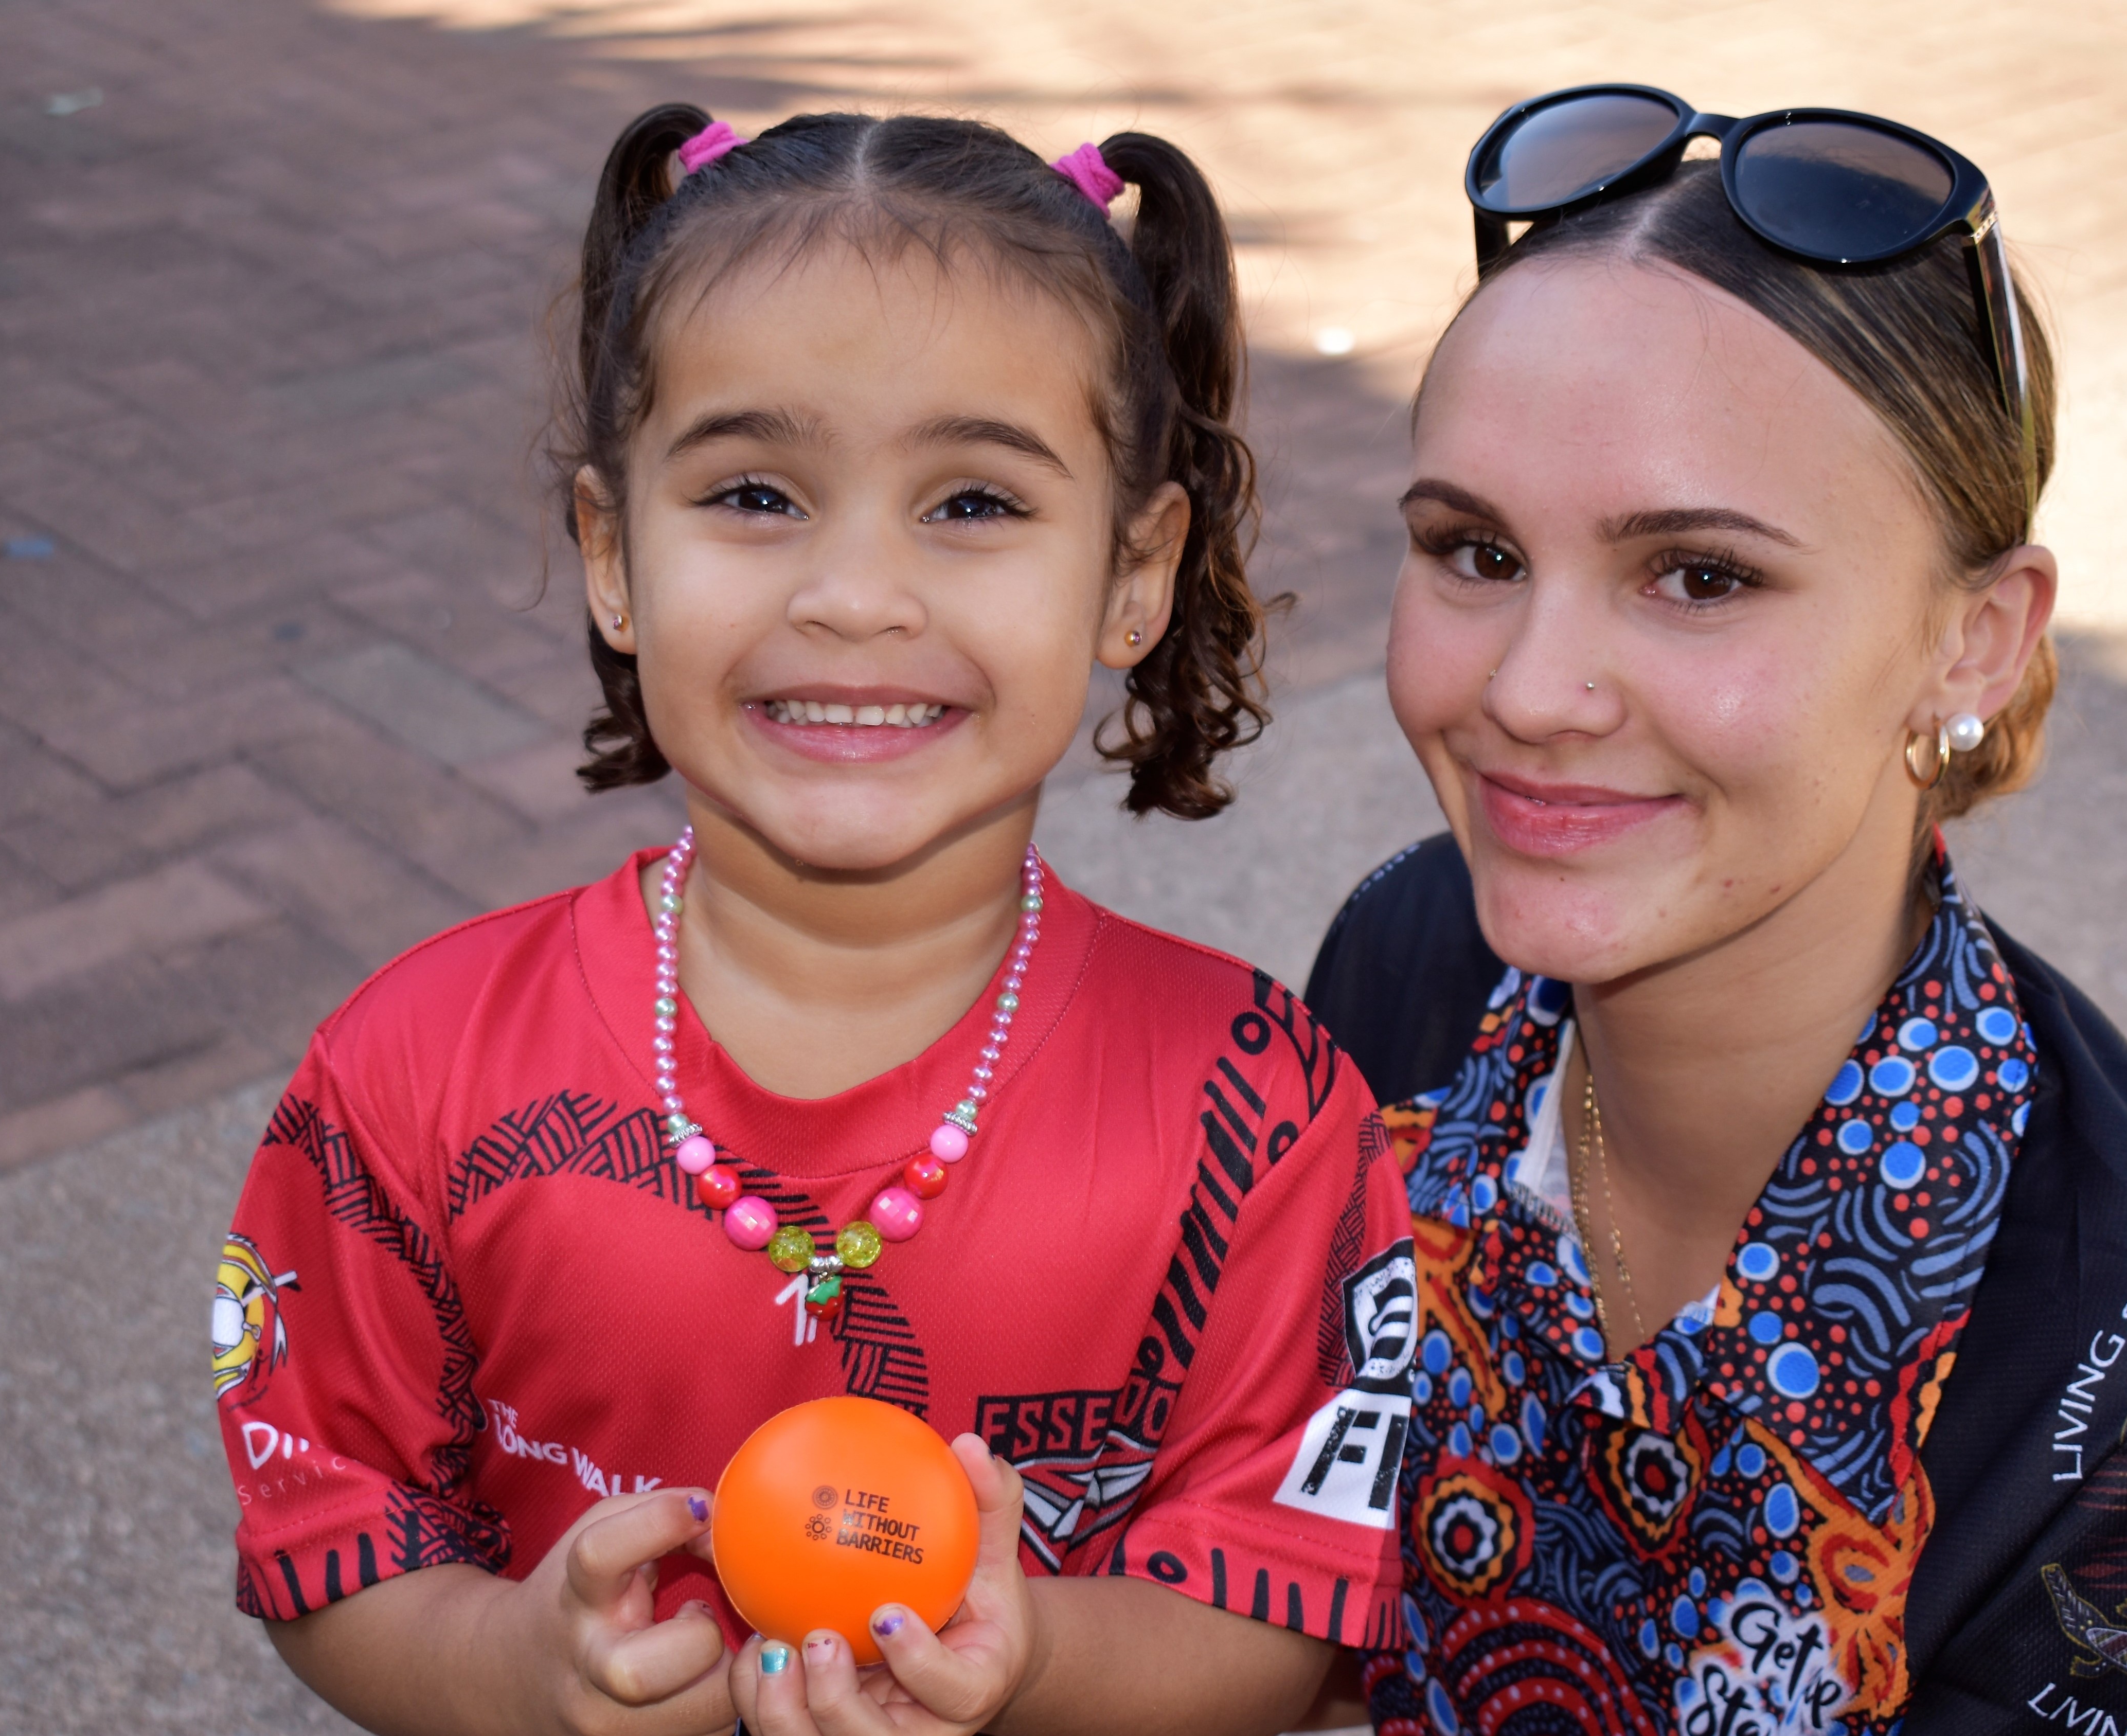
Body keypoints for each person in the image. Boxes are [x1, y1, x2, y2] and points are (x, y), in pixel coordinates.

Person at [210, 106, 1413, 1736]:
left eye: (975, 504)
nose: (855, 596)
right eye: (758, 493)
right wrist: (518, 1671)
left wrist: (1034, 1663)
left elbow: (1280, 1608)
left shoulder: (1261, 1115)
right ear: (611, 556)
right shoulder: (411, 1072)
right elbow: (324, 1537)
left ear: (1134, 574)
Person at [1301, 85, 2127, 1733]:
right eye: (1476, 551)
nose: (1529, 692)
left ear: (1976, 641)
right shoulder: (1413, 956)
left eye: (1701, 576)